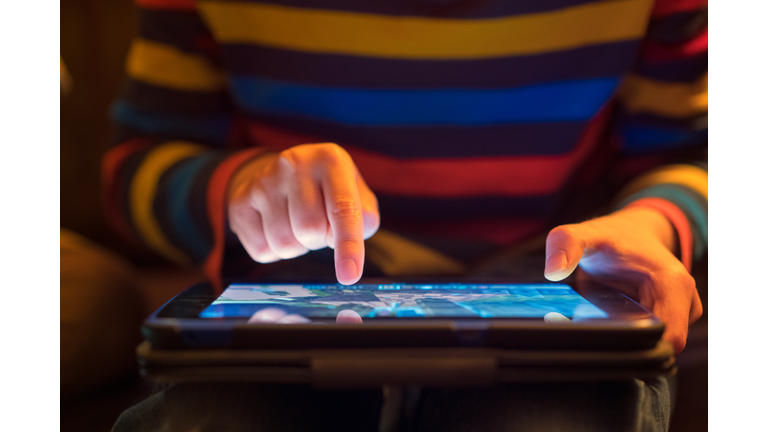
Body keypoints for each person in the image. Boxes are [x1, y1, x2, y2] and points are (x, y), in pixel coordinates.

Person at [105, 0, 707, 430]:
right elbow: (136, 167)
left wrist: (650, 222)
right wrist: (236, 188)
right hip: (294, 292)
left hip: (552, 288)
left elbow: (697, 155)